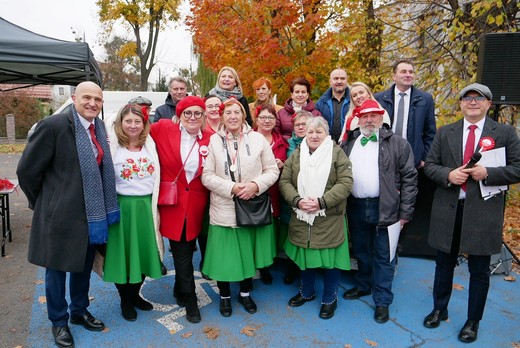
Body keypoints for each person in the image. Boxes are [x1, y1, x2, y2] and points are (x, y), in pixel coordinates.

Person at [16, 82, 120, 348]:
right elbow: (27, 172)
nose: (92, 103)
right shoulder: (53, 126)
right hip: (59, 216)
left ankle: (78, 310)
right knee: (56, 272)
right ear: (74, 98)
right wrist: (46, 201)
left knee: (83, 268)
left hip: (90, 215)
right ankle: (59, 322)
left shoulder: (97, 129)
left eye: (97, 99)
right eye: (87, 97)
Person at [422, 83, 520, 343]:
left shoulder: (505, 133)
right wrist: (448, 174)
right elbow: (429, 166)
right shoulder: (445, 133)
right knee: (443, 265)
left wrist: (488, 173)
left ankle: (472, 320)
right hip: (448, 210)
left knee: (479, 270)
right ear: (461, 104)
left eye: (479, 98)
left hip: (483, 213)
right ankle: (439, 309)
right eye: (468, 98)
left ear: (488, 103)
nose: (473, 102)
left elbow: (518, 169)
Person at [341, 100, 417, 324]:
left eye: (374, 115)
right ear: (358, 119)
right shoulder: (349, 144)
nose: (369, 120)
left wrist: (405, 213)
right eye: (364, 116)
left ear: (382, 118)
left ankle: (382, 300)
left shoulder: (398, 144)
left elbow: (410, 179)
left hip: (386, 207)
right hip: (355, 206)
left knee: (385, 255)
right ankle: (364, 285)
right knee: (362, 251)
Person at [201, 98, 279, 317]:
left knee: (247, 255)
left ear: (244, 116)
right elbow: (206, 176)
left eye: (237, 112)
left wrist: (255, 185)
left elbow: (272, 170)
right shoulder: (214, 141)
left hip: (251, 206)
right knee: (224, 258)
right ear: (222, 117)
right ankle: (224, 296)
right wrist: (232, 187)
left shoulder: (257, 140)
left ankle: (245, 293)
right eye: (228, 113)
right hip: (223, 208)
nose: (233, 116)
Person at [279, 116, 353, 319]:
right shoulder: (297, 153)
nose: (313, 135)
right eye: (310, 131)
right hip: (302, 217)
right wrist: (296, 200)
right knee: (306, 258)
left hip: (328, 219)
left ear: (326, 134)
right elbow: (285, 180)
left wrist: (321, 202)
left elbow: (346, 183)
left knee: (331, 263)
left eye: (318, 132)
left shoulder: (337, 153)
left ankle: (330, 298)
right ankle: (307, 292)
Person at [150, 96, 213, 324]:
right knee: (182, 250)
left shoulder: (211, 138)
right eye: (188, 113)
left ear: (204, 116)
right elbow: (133, 129)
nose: (193, 118)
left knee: (187, 248)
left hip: (199, 204)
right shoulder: (164, 129)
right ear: (179, 115)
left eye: (198, 113)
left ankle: (179, 289)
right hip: (173, 202)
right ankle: (190, 299)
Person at [103, 104, 163, 321]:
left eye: (137, 121)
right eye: (128, 121)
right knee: (123, 256)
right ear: (120, 123)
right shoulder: (113, 147)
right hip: (122, 208)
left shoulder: (150, 145)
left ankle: (135, 294)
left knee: (146, 254)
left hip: (146, 207)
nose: (133, 125)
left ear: (144, 123)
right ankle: (125, 300)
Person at [375, 60, 437, 256]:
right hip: (384, 160)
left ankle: (399, 246)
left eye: (411, 71)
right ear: (394, 76)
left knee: (406, 203)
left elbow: (430, 132)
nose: (408, 75)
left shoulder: (425, 99)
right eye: (403, 71)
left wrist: (424, 157)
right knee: (386, 201)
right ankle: (383, 247)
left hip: (412, 160)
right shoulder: (380, 98)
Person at [254, 104, 288, 284]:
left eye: (271, 118)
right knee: (254, 229)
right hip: (254, 192)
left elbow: (289, 162)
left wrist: (283, 163)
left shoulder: (281, 141)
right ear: (256, 119)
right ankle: (255, 264)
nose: (267, 121)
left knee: (270, 230)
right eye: (263, 117)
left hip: (274, 191)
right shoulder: (248, 138)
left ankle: (266, 265)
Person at [315, 68, 350, 142]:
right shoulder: (321, 104)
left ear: (347, 81)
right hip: (326, 145)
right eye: (336, 78)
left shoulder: (354, 101)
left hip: (349, 144)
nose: (339, 81)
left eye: (342, 78)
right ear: (330, 81)